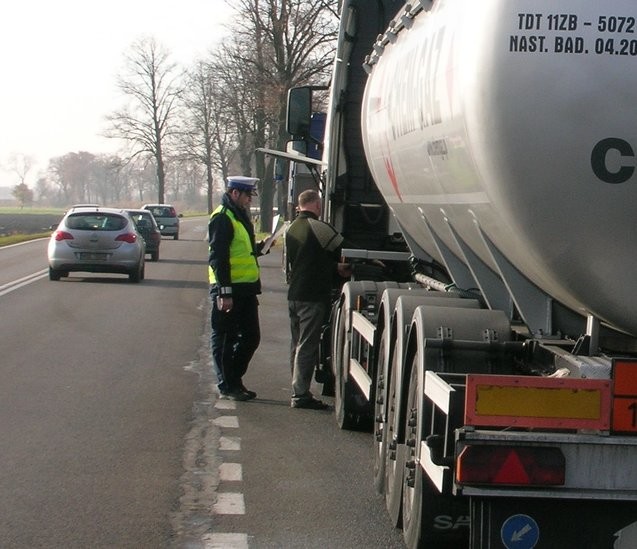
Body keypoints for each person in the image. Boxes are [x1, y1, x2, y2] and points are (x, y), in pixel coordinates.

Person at [285, 189, 351, 409]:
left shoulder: (291, 228)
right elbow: (346, 247)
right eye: (319, 204)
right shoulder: (318, 227)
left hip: (294, 294)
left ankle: (296, 386)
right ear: (315, 204)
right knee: (307, 344)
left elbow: (306, 261)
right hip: (312, 295)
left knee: (296, 343)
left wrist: (330, 266)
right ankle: (300, 393)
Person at [208, 175, 265, 401]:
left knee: (252, 337)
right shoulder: (223, 217)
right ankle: (228, 384)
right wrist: (224, 291)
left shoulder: (239, 215)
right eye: (247, 195)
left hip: (246, 289)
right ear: (235, 193)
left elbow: (240, 250)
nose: (249, 200)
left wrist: (260, 248)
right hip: (229, 289)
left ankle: (234, 378)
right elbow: (218, 257)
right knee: (224, 338)